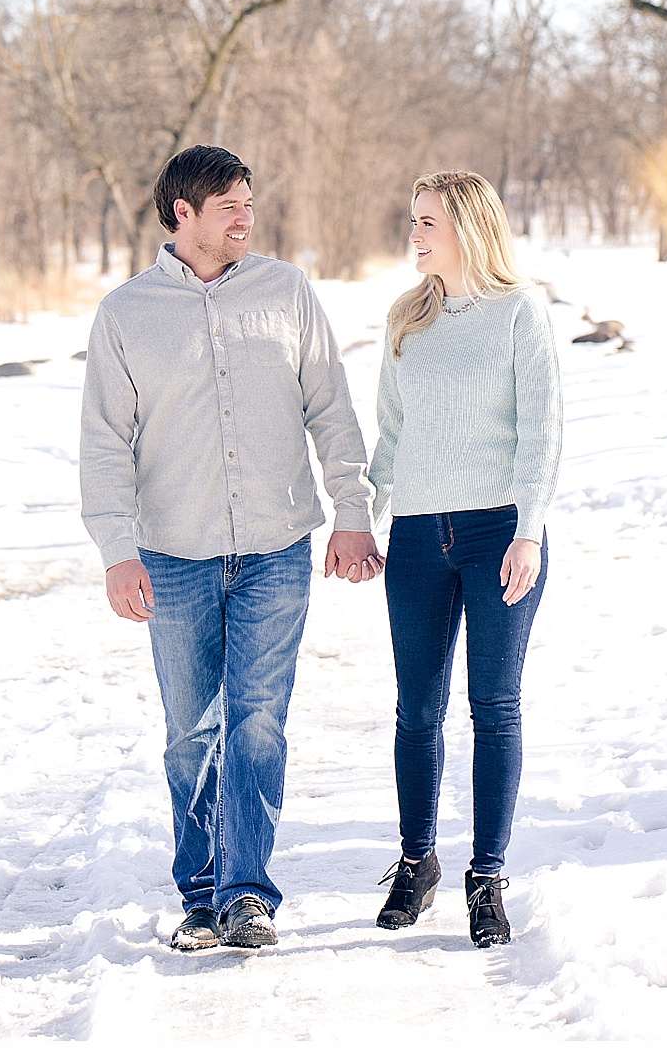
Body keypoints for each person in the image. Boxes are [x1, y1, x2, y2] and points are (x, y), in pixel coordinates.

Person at [79, 144, 382, 951]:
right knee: (190, 730)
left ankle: (249, 894)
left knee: (256, 724)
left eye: (249, 203)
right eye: (229, 207)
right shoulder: (125, 314)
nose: (247, 218)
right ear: (183, 213)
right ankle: (202, 894)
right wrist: (116, 550)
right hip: (172, 553)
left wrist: (353, 509)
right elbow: (105, 444)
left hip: (277, 546)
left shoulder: (286, 291)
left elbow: (332, 406)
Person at [368, 170, 561, 948]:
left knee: (494, 704)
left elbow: (540, 430)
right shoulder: (405, 318)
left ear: (469, 229)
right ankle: (418, 863)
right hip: (417, 534)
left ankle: (487, 876)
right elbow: (390, 432)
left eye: (428, 224)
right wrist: (360, 518)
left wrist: (530, 528)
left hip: (499, 534)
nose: (414, 235)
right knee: (416, 708)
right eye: (411, 221)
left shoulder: (521, 312)